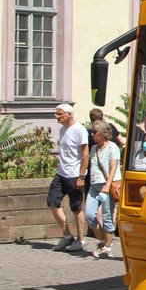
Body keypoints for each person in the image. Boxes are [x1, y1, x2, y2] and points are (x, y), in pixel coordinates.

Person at [48, 103, 90, 252]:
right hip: (61, 173)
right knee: (53, 202)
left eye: (60, 114)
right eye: (56, 114)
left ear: (69, 115)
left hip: (74, 174)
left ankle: (81, 240)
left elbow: (85, 154)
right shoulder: (62, 129)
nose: (57, 117)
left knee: (76, 208)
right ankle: (67, 236)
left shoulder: (80, 130)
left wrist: (81, 176)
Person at [85, 121, 121, 258]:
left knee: (107, 215)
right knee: (89, 215)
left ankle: (107, 246)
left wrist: (107, 185)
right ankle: (103, 240)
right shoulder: (94, 148)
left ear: (102, 133)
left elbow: (113, 168)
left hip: (107, 185)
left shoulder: (112, 147)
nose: (92, 135)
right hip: (94, 186)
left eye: (95, 132)